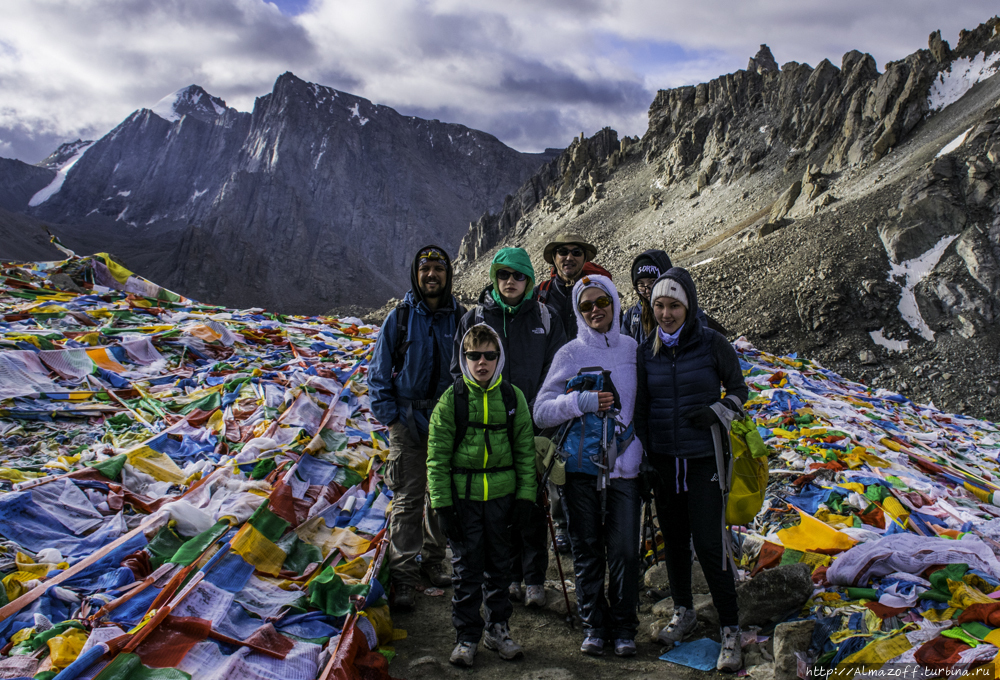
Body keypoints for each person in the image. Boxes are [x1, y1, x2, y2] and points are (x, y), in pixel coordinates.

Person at [633, 268, 749, 673]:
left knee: (710, 544)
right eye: (659, 305)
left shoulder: (713, 343)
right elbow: (642, 409)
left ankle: (731, 629)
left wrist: (715, 412)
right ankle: (684, 612)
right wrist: (646, 458)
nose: (666, 313)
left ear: (689, 306)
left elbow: (739, 391)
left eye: (674, 305)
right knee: (674, 541)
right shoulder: (646, 351)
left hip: (704, 460)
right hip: (666, 461)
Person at [532, 274, 643, 658]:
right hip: (581, 470)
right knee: (587, 548)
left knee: (627, 550)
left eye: (602, 302)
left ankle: (625, 627)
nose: (595, 310)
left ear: (614, 302)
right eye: (586, 306)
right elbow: (541, 411)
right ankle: (595, 626)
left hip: (625, 468)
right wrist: (579, 402)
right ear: (578, 312)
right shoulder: (569, 353)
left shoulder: (632, 349)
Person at [450, 247, 566, 607]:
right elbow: (459, 372)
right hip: (490, 429)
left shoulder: (547, 318)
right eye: (504, 275)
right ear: (494, 279)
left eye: (517, 276)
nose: (510, 282)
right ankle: (508, 577)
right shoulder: (474, 319)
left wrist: (544, 417)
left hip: (533, 426)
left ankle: (534, 579)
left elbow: (557, 370)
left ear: (529, 279)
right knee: (498, 505)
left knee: (531, 503)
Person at [427, 324, 537, 667]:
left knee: (500, 568)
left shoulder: (512, 397)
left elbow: (525, 452)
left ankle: (498, 628)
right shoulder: (452, 400)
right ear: (464, 358)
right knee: (466, 569)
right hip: (464, 502)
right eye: (474, 355)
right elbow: (437, 458)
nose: (482, 362)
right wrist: (443, 506)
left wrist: (525, 499)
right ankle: (466, 636)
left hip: (503, 501)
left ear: (499, 357)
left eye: (490, 355)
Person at [368, 245, 466, 610]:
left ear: (448, 275)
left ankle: (434, 561)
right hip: (407, 421)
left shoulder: (460, 317)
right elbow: (378, 374)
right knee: (408, 500)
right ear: (416, 274)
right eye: (425, 269)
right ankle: (405, 575)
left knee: (440, 497)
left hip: (446, 421)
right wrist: (392, 418)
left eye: (438, 269)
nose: (431, 275)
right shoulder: (401, 317)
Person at [623, 249, 729, 343]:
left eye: (652, 282)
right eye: (641, 284)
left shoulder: (691, 313)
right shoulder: (632, 317)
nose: (647, 290)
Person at [535, 233, 612, 340]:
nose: (569, 257)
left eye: (577, 252)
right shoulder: (540, 293)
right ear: (554, 257)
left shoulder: (599, 291)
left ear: (585, 258)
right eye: (563, 252)